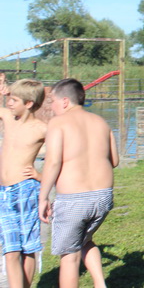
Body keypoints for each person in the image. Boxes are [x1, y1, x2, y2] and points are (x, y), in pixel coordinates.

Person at [38, 78, 119, 288]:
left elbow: (53, 162)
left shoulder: (58, 123)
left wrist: (43, 197)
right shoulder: (101, 122)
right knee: (84, 240)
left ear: (65, 101)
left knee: (69, 257)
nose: (51, 107)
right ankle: (100, 284)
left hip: (73, 200)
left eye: (52, 101)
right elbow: (115, 161)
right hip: (103, 197)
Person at [0, 79, 47, 288]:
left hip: (25, 190)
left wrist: (40, 176)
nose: (9, 103)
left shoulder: (42, 128)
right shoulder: (8, 118)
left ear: (28, 103)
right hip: (3, 192)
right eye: (9, 99)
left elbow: (65, 155)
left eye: (14, 100)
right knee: (10, 250)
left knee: (28, 248)